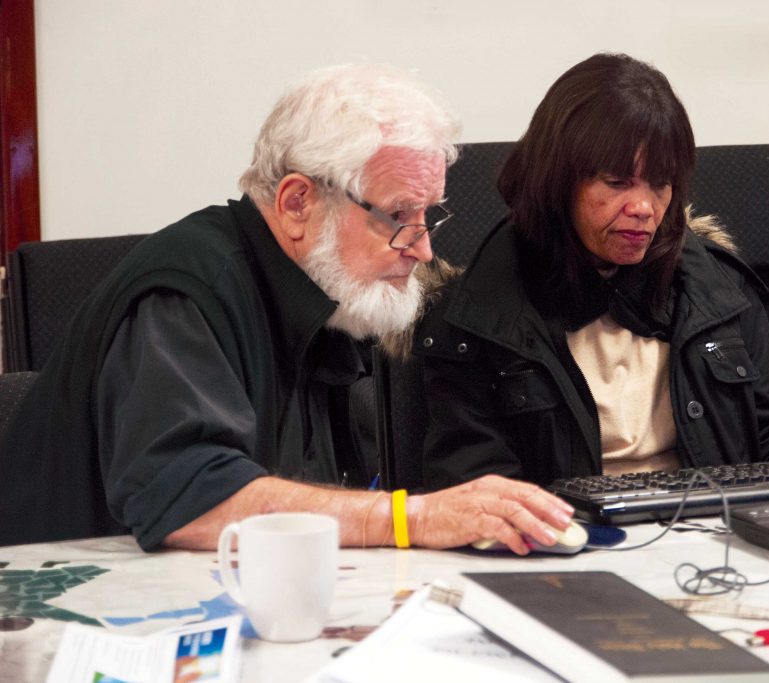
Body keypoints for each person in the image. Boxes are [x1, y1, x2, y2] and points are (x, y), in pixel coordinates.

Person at [0, 64, 574, 555]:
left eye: (429, 216)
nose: (423, 248)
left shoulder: (335, 294)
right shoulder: (187, 289)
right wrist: (408, 520)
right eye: (400, 217)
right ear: (298, 202)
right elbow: (186, 499)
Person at [415, 53, 769, 489]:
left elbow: (768, 454)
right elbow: (474, 498)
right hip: (572, 555)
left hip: (715, 544)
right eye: (618, 182)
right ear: (556, 182)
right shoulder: (476, 318)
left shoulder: (716, 291)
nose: (644, 207)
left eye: (660, 184)